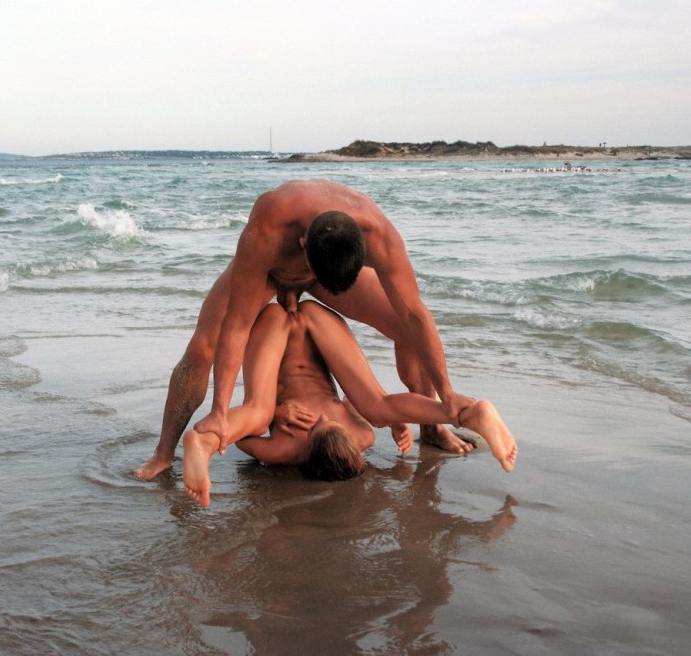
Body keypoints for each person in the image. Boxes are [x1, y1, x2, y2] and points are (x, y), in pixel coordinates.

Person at [134, 179, 473, 481]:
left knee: (406, 328)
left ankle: (432, 427)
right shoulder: (270, 224)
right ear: (301, 243)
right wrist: (221, 413)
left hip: (329, 270)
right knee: (203, 347)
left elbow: (415, 314)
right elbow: (237, 326)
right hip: (268, 271)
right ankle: (164, 452)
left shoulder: (379, 234)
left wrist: (448, 393)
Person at [183, 300, 518, 507]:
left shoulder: (285, 450)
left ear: (306, 448)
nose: (320, 417)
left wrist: (276, 413)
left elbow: (243, 438)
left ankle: (204, 442)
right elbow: (351, 403)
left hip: (275, 324)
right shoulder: (361, 435)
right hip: (316, 320)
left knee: (258, 413)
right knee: (380, 406)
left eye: (314, 425)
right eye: (335, 421)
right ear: (353, 440)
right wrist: (392, 419)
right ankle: (467, 411)